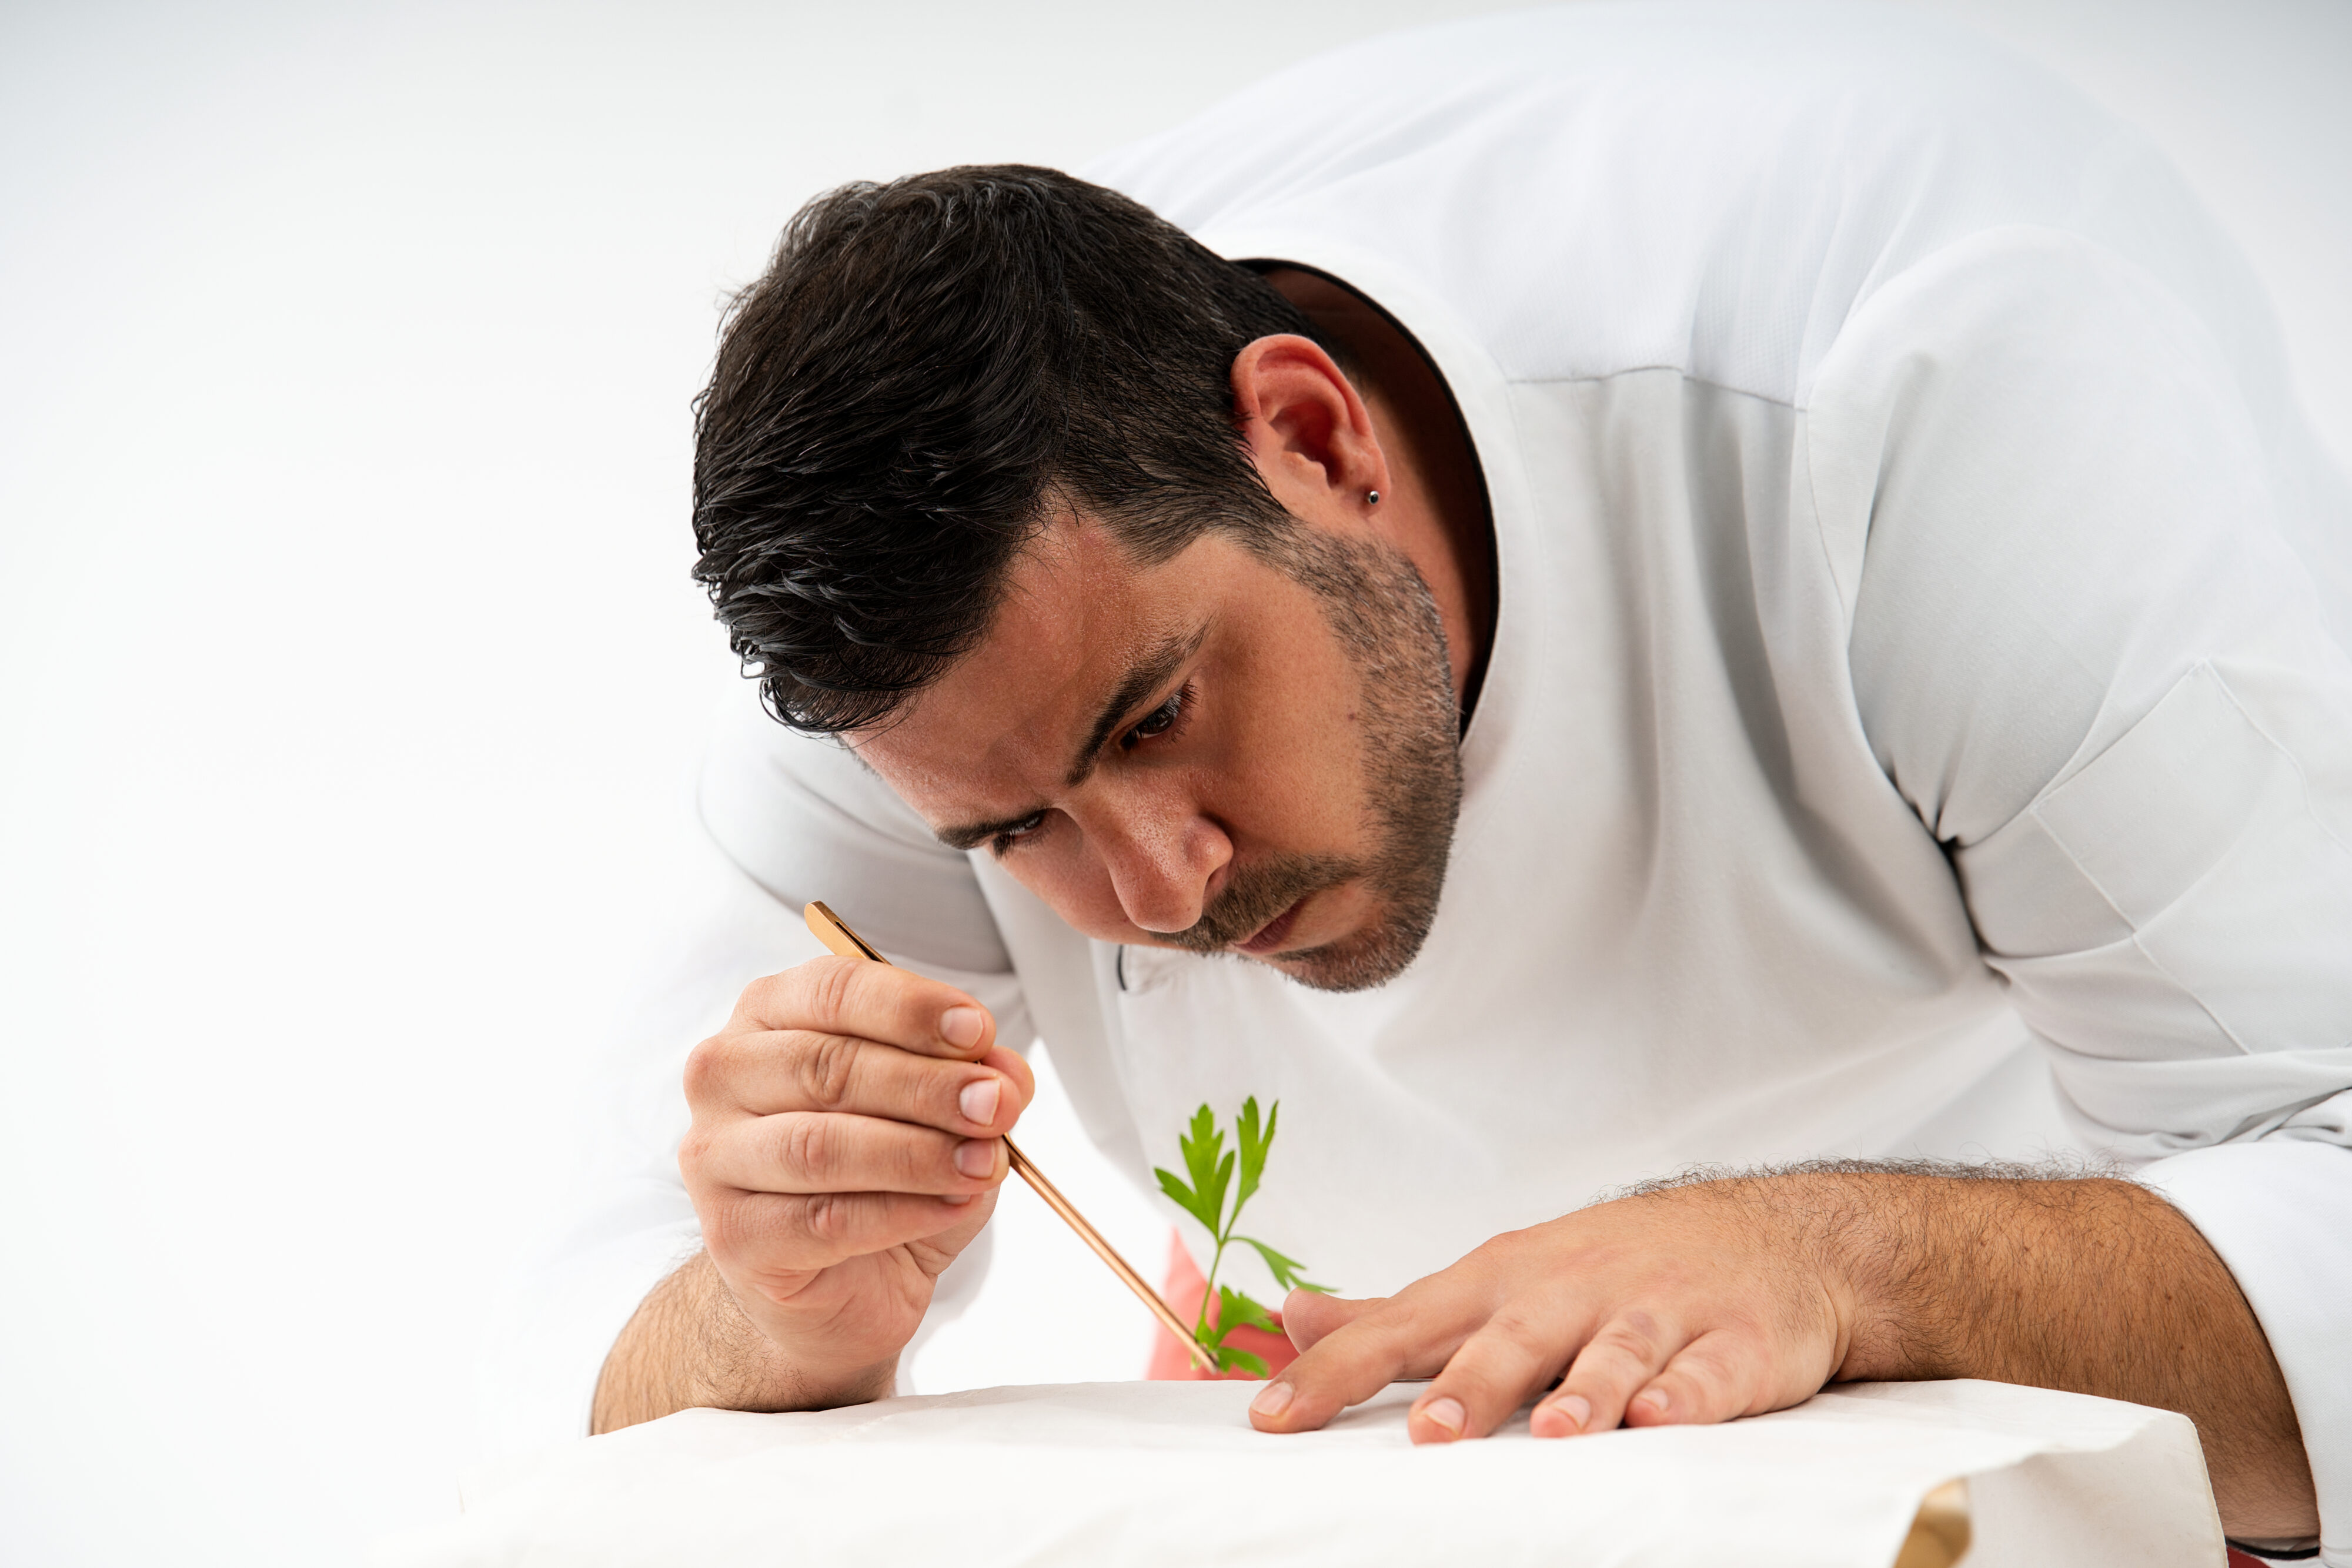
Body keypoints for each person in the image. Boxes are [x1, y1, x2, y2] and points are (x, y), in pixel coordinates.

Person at [513, 7, 2352, 1559]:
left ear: (1311, 436)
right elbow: (571, 1394)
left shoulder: (1938, 379)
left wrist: (1841, 1257)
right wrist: (768, 1310)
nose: (1159, 895)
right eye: (1015, 839)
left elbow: (2318, 1179)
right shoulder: (919, 644)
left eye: (1155, 716)